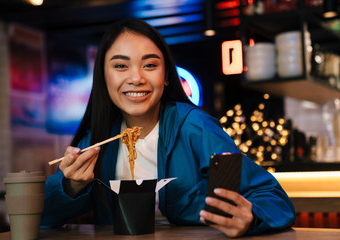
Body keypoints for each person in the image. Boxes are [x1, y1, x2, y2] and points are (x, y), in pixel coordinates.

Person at [41, 18, 295, 237]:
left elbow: (273, 198)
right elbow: (44, 217)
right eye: (120, 66)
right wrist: (70, 187)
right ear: (103, 76)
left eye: (150, 65)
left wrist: (250, 218)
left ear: (166, 76)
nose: (136, 78)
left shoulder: (195, 127)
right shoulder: (97, 140)